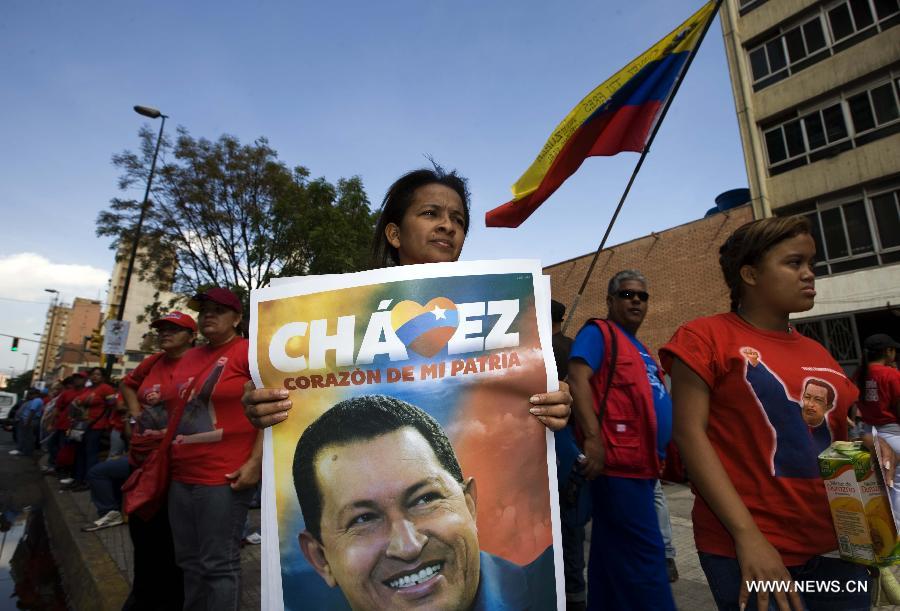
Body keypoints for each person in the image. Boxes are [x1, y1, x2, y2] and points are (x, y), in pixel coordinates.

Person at [243, 166, 571, 432]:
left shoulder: (502, 312)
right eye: (431, 213)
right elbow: (313, 396)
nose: (448, 226)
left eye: (458, 220)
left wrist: (551, 401)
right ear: (395, 234)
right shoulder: (340, 314)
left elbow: (515, 398)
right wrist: (269, 396)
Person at [660, 216, 869, 611]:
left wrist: (869, 445)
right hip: (752, 551)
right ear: (751, 274)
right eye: (794, 263)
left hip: (839, 550)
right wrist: (748, 537)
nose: (809, 274)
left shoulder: (819, 353)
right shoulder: (705, 337)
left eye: (812, 264)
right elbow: (689, 435)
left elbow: (840, 437)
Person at [293, 394, 555, 610]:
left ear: (470, 505)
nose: (408, 546)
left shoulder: (546, 594)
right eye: (363, 519)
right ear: (320, 558)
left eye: (425, 499)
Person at [567, 270, 675, 611]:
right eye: (628, 295)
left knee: (609, 558)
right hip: (619, 468)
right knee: (647, 559)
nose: (636, 301)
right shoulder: (599, 333)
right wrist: (594, 440)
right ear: (611, 301)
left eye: (642, 296)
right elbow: (578, 378)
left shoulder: (639, 347)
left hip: (644, 467)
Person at [166, 289, 262, 611]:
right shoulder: (190, 356)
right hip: (181, 474)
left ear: (237, 319)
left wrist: (256, 462)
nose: (208, 314)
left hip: (224, 477)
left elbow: (271, 405)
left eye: (219, 310)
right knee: (189, 562)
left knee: (218, 565)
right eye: (204, 310)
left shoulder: (248, 353)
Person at [119, 310, 197, 611]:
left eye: (173, 329)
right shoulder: (151, 362)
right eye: (162, 328)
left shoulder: (201, 362)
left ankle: (171, 599)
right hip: (143, 461)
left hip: (179, 463)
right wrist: (135, 413)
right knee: (142, 528)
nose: (165, 333)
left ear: (191, 336)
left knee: (172, 534)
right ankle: (142, 594)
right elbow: (127, 385)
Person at [855, 334, 900, 508]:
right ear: (888, 351)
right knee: (896, 486)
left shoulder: (860, 373)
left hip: (869, 436)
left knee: (881, 489)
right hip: (893, 437)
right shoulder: (891, 374)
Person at [67, 367, 116, 490]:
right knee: (79, 454)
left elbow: (112, 407)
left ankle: (89, 482)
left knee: (91, 454)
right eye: (93, 374)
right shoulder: (87, 389)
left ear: (103, 377)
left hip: (95, 426)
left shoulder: (106, 389)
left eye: (98, 375)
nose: (95, 377)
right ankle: (78, 479)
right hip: (81, 426)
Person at [10, 388, 43, 457]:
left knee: (28, 437)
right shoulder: (34, 400)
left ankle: (27, 452)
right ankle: (23, 450)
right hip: (26, 420)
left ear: (36, 394)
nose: (29, 396)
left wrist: (27, 422)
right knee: (24, 436)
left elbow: (32, 411)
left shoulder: (37, 400)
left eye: (31, 394)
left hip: (29, 420)